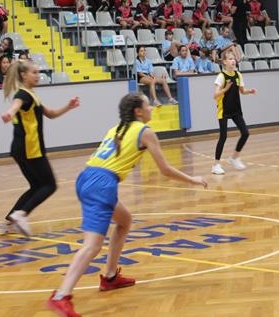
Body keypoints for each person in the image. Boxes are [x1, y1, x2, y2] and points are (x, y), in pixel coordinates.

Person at [45, 93, 207, 316]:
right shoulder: (145, 132)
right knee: (92, 245)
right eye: (148, 105)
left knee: (124, 220)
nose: (151, 108)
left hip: (86, 177)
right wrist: (193, 179)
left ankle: (110, 277)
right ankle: (61, 295)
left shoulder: (115, 129)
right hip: (102, 184)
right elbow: (165, 170)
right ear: (138, 111)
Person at [0, 60, 80, 236]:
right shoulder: (24, 95)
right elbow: (15, 105)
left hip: (20, 148)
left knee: (36, 186)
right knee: (50, 185)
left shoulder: (31, 95)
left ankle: (9, 222)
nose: (38, 76)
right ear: (23, 75)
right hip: (30, 147)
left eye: (38, 72)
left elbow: (50, 114)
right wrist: (9, 113)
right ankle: (21, 214)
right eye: (34, 72)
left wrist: (68, 107)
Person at [212, 50, 257, 174]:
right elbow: (215, 95)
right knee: (223, 137)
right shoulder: (221, 76)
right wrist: (225, 88)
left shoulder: (238, 75)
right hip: (224, 110)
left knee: (245, 133)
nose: (233, 61)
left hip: (236, 109)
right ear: (224, 62)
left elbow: (242, 91)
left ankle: (234, 158)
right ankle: (215, 165)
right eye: (230, 59)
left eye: (234, 59)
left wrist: (249, 91)